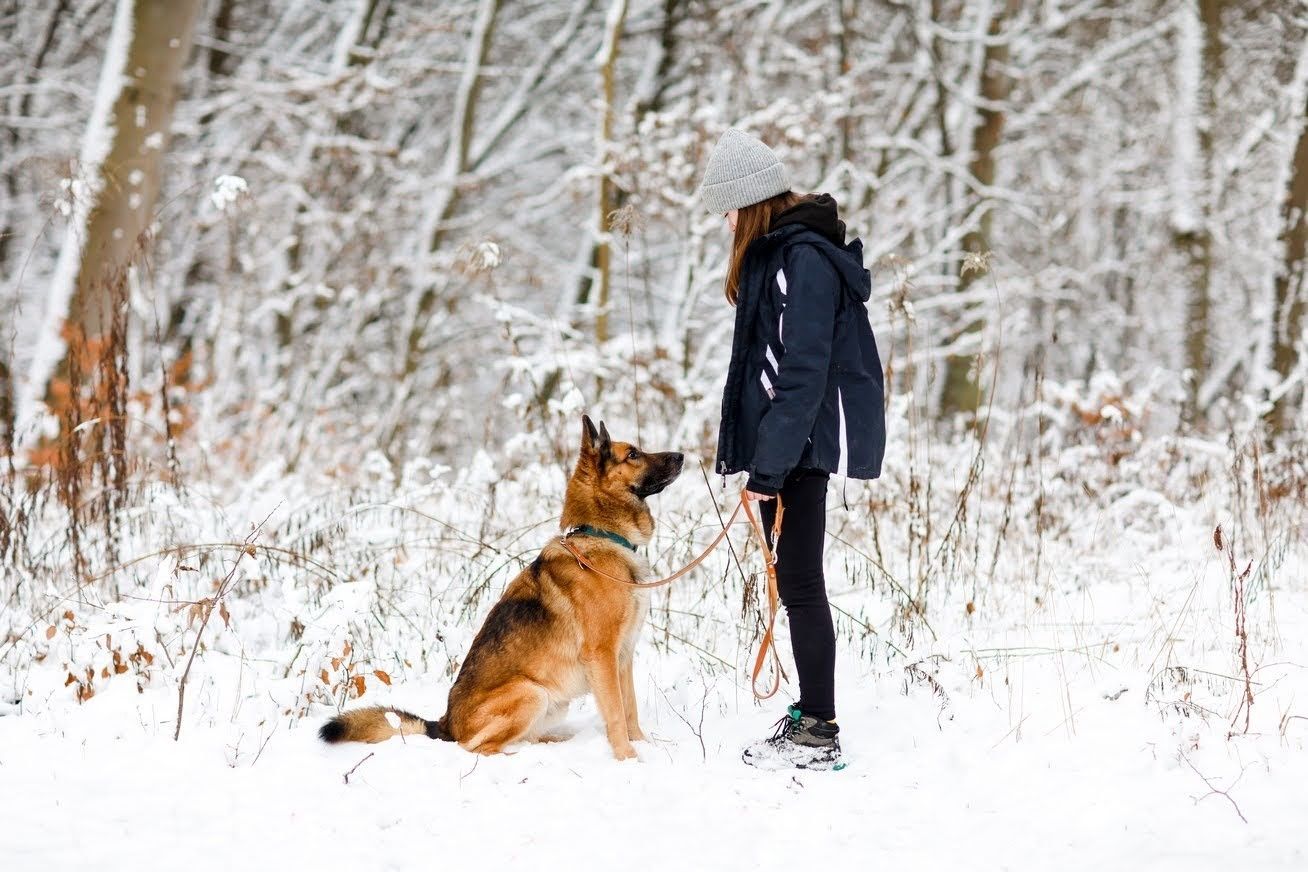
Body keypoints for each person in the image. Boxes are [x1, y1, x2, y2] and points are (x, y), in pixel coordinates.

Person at [698, 128, 886, 770]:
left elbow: (801, 372)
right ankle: (812, 712)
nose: (723, 224)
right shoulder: (782, 256)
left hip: (803, 446)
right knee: (797, 578)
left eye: (725, 210)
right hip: (791, 444)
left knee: (801, 582)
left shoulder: (802, 260)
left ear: (748, 203)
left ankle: (819, 728)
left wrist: (769, 469)